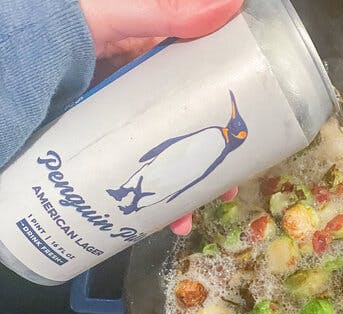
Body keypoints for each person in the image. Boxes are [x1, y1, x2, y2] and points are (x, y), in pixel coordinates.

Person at [0, 0, 242, 235]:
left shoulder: (214, 142)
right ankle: (128, 193)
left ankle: (128, 194)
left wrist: (61, 48)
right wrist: (62, 26)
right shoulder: (214, 140)